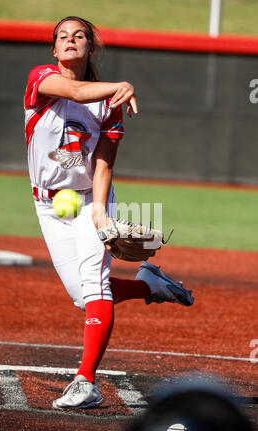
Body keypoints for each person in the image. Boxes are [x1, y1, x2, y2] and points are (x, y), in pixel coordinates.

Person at [24, 16, 194, 410]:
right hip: (48, 205)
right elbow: (76, 91)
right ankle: (149, 285)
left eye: (78, 35)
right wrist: (121, 86)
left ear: (90, 47)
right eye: (62, 36)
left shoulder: (110, 102)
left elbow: (103, 163)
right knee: (84, 298)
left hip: (87, 198)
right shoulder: (41, 78)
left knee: (95, 284)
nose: (70, 40)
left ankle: (86, 383)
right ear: (54, 49)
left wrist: (100, 210)